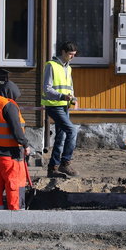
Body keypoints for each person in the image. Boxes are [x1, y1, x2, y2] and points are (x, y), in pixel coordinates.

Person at [0, 79, 30, 210]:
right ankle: (16, 210)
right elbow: (16, 129)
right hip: (9, 153)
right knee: (14, 181)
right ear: (11, 94)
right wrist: (25, 144)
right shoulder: (8, 105)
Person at [41, 41, 80, 178]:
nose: (72, 57)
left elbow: (69, 86)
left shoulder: (68, 68)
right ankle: (65, 163)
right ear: (63, 52)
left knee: (61, 135)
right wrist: (62, 96)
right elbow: (46, 89)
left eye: (74, 55)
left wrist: (73, 98)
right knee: (72, 130)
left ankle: (52, 168)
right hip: (53, 104)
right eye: (70, 54)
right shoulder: (51, 66)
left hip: (64, 105)